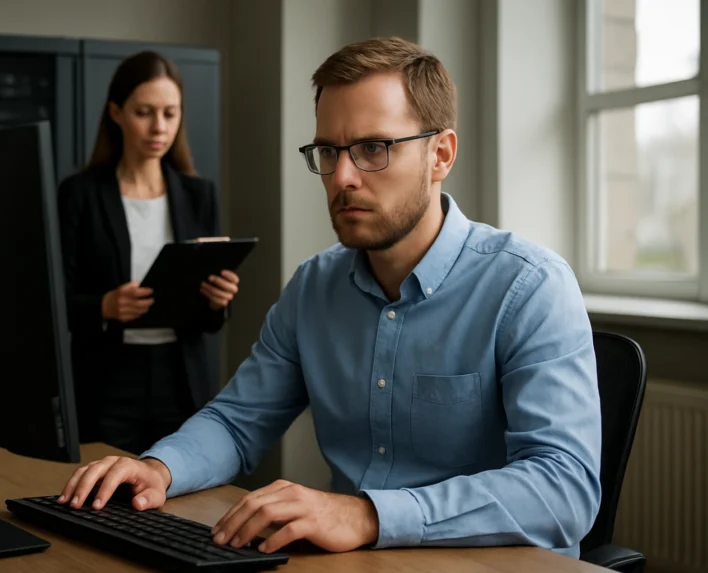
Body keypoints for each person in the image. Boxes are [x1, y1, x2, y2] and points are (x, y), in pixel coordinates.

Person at [57, 37, 602, 558]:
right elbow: (236, 421)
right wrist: (159, 468)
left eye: (373, 149)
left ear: (441, 154)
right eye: (327, 150)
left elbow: (565, 489)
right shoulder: (314, 288)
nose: (341, 177)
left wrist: (368, 516)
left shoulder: (530, 287)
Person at [57, 51, 241, 455]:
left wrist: (219, 300)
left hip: (181, 376)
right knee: (99, 498)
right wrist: (104, 306)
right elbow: (53, 301)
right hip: (107, 378)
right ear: (116, 113)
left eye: (170, 114)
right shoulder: (80, 194)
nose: (159, 127)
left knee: (180, 496)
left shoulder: (198, 195)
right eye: (144, 112)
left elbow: (211, 322)